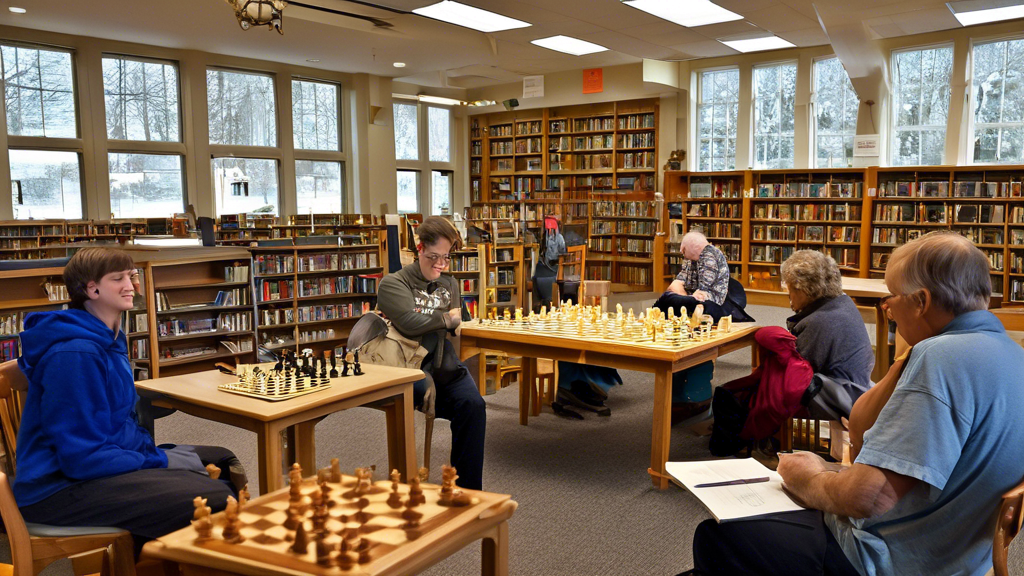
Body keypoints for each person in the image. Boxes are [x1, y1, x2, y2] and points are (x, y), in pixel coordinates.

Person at [682, 232, 1024, 576]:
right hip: (954, 551)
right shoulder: (1010, 353)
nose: (886, 309)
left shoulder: (943, 359)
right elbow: (861, 428)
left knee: (718, 535)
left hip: (889, 559)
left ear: (921, 301)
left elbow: (869, 498)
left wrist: (808, 476)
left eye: (892, 296)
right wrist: (904, 360)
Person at [14, 247, 244, 557]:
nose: (131, 286)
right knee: (214, 497)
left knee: (223, 461)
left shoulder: (109, 338)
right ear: (91, 289)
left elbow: (116, 423)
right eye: (117, 278)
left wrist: (153, 455)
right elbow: (81, 457)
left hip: (96, 463)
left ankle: (156, 560)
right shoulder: (75, 353)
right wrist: (160, 462)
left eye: (132, 276)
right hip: (57, 488)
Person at [709, 250, 874, 455]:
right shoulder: (842, 303)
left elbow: (798, 374)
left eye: (789, 288)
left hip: (832, 399)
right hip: (854, 390)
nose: (788, 295)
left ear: (803, 289)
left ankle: (749, 445)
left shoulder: (820, 322)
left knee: (734, 395)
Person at [376, 216, 486, 490]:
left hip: (445, 367)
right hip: (408, 368)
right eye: (434, 256)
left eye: (446, 258)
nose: (440, 264)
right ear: (420, 248)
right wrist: (445, 319)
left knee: (473, 407)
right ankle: (405, 487)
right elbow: (409, 323)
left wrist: (455, 322)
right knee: (404, 405)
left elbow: (461, 323)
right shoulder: (393, 283)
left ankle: (467, 491)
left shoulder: (450, 284)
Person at [652, 231, 731, 423]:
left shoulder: (709, 255)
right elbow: (677, 282)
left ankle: (690, 397)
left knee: (672, 301)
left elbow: (703, 292)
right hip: (695, 300)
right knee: (669, 298)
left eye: (684, 249)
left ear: (693, 247)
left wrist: (685, 295)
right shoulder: (692, 260)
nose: (682, 253)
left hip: (711, 303)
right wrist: (685, 294)